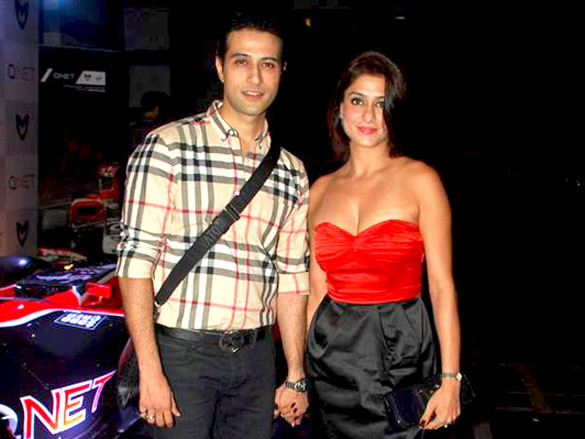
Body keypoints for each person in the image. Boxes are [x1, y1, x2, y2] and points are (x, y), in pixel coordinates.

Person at [116, 12, 309, 439]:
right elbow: (135, 263)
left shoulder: (291, 171)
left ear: (281, 71)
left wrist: (295, 373)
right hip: (181, 357)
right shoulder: (167, 147)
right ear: (220, 66)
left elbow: (293, 277)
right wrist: (151, 370)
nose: (255, 77)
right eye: (241, 61)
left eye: (268, 64)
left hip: (257, 359)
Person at [306, 51, 462, 438]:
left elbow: (442, 287)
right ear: (340, 108)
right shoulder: (320, 189)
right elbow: (315, 291)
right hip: (330, 363)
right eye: (358, 100)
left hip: (401, 353)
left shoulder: (421, 180)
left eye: (381, 103)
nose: (368, 116)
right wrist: (301, 374)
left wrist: (450, 378)